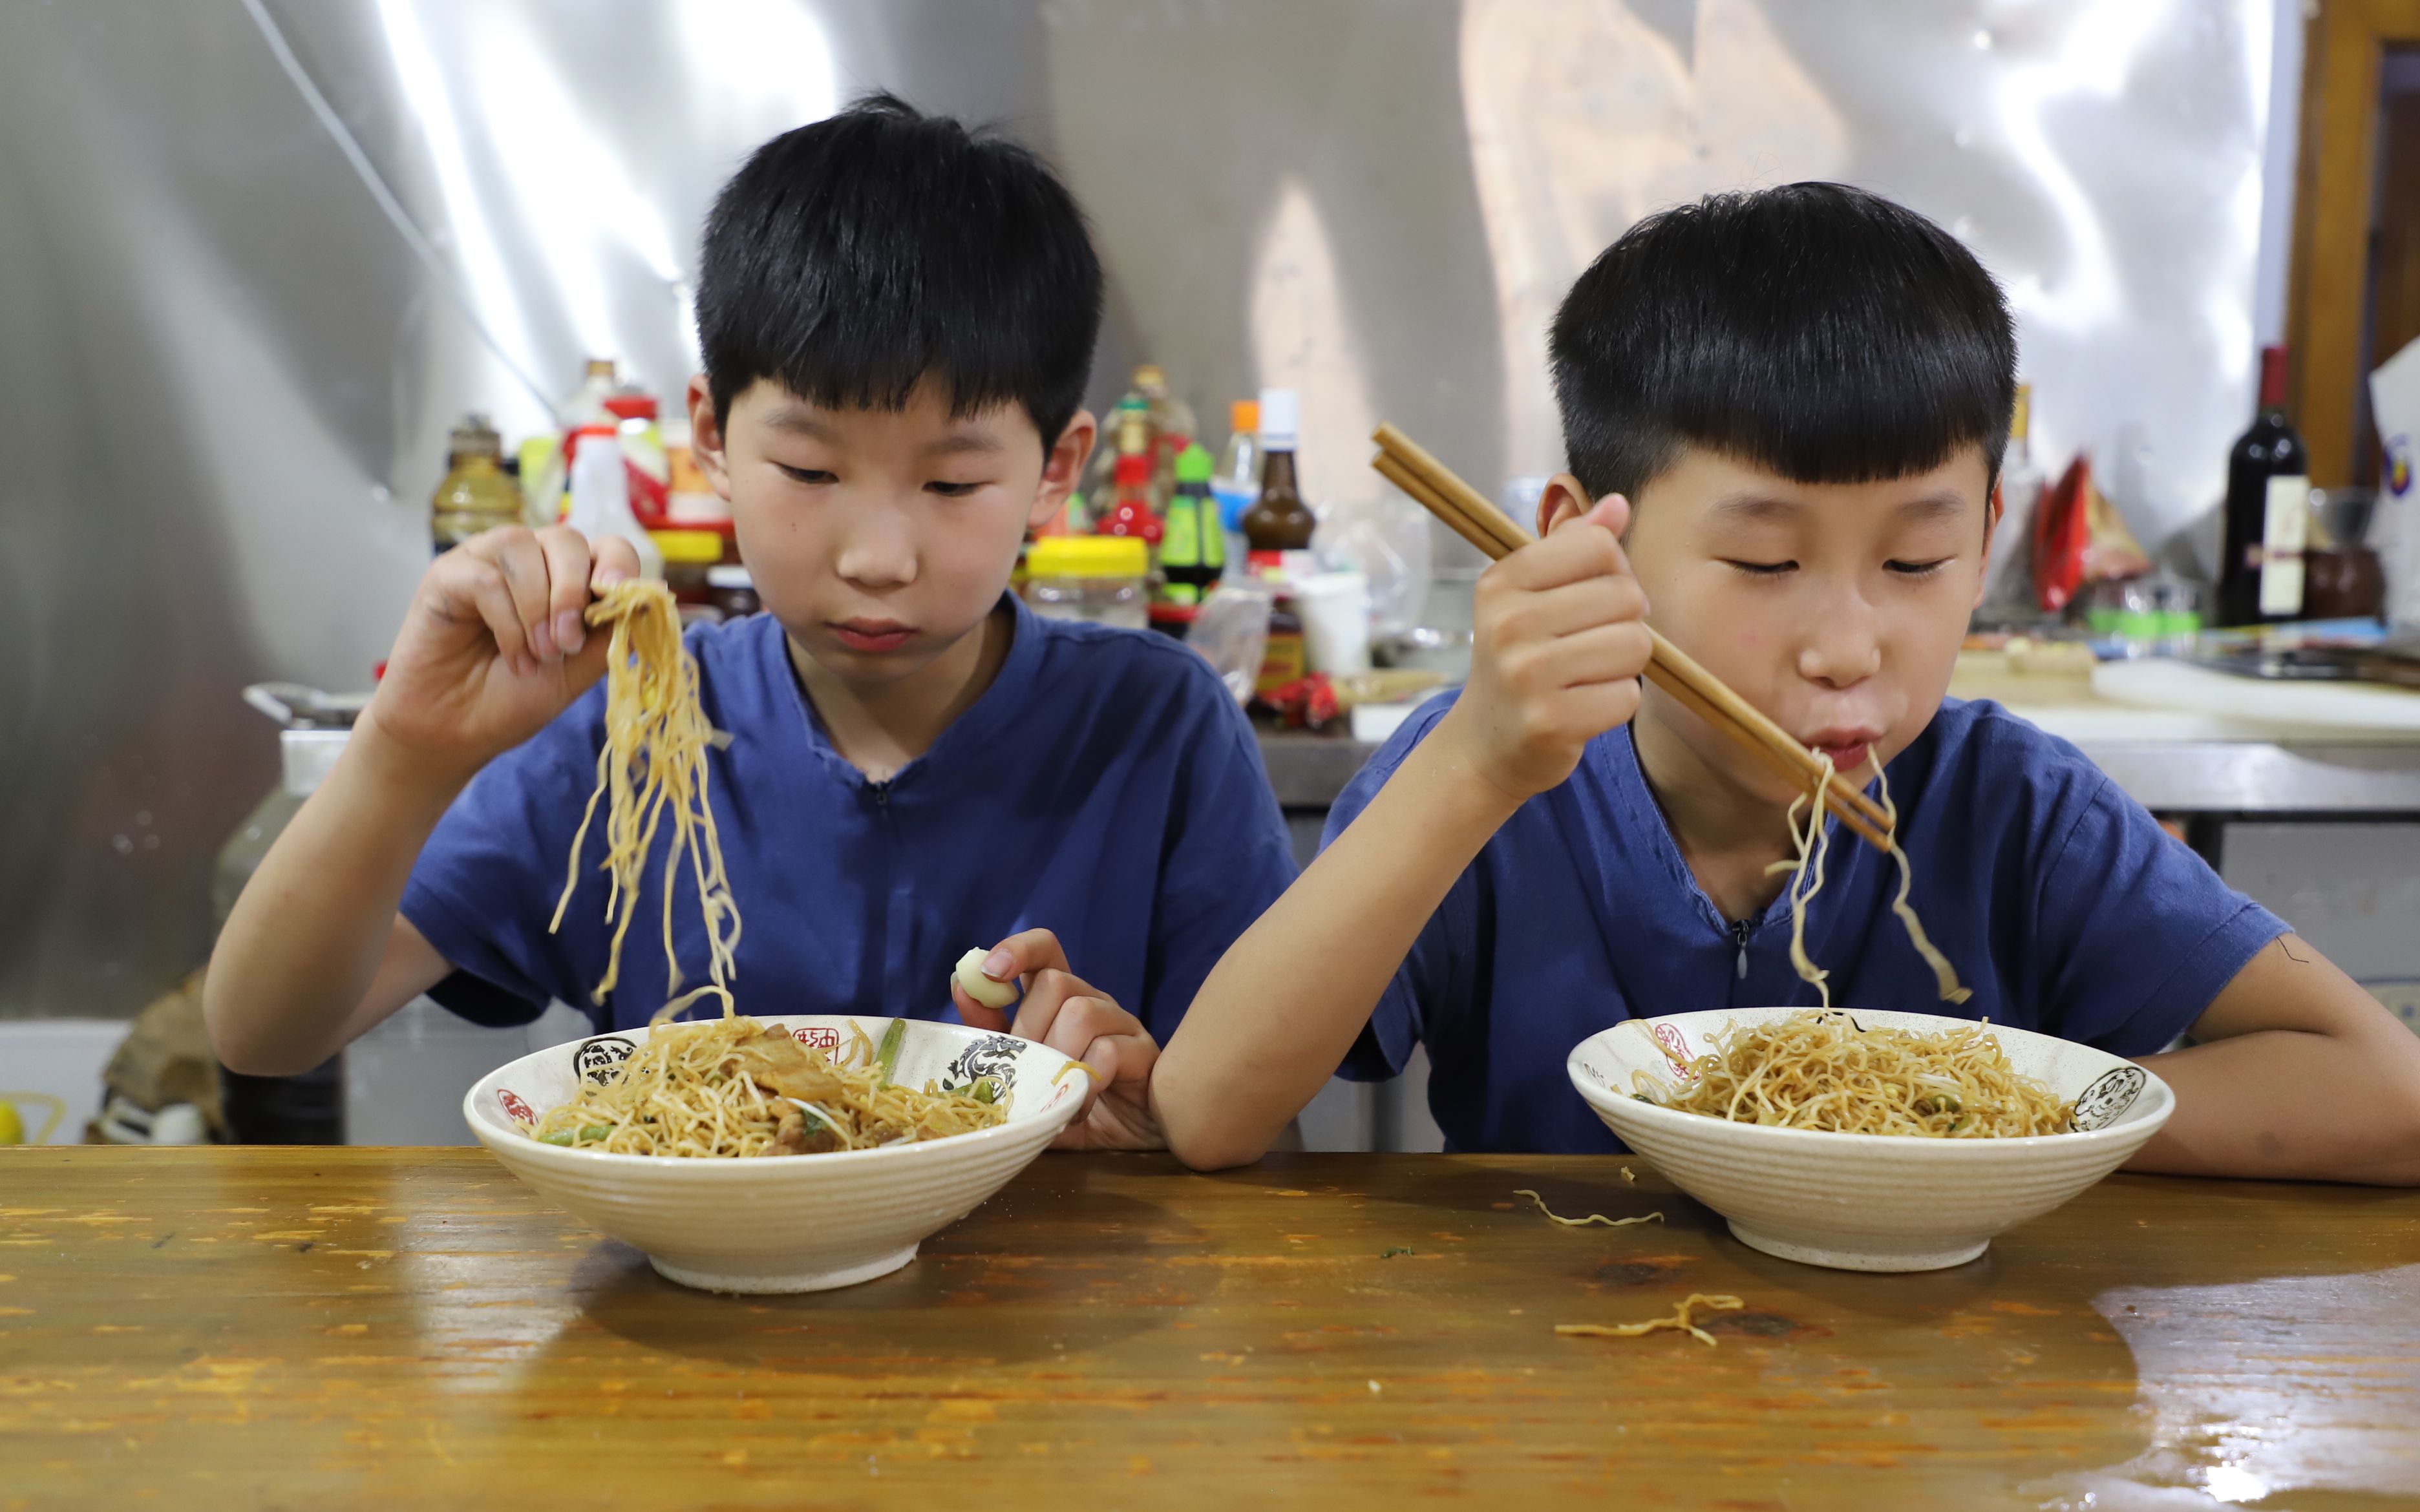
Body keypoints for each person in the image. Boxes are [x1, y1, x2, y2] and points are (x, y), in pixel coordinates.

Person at [1152, 182, 2420, 1181]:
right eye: (1766, 561)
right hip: (1553, 1389)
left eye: (1919, 559)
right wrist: (1478, 762)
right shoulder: (1491, 774)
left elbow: (2390, 1100)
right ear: (1586, 539)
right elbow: (1211, 1115)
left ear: (1988, 536)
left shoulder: (2011, 804)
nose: (1850, 644)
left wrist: (1987, 1120)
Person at [206, 94, 1295, 1150]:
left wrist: (1156, 1113)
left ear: (1056, 470)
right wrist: (405, 751)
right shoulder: (628, 724)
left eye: (954, 485)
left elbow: (1265, 1130)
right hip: (680, 1324)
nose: (878, 558)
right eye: (811, 469)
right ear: (711, 439)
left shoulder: (1157, 725)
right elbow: (263, 1033)